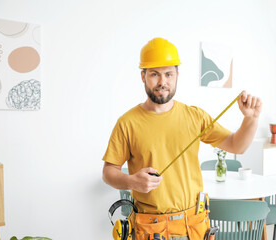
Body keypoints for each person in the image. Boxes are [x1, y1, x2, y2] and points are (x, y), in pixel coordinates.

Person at [102, 37, 262, 240]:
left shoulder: (195, 116)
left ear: (177, 75)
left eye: (169, 74)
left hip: (194, 227)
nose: (162, 82)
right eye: (154, 74)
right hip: (151, 230)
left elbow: (236, 145)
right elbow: (108, 172)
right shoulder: (127, 123)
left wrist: (251, 119)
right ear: (143, 76)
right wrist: (131, 181)